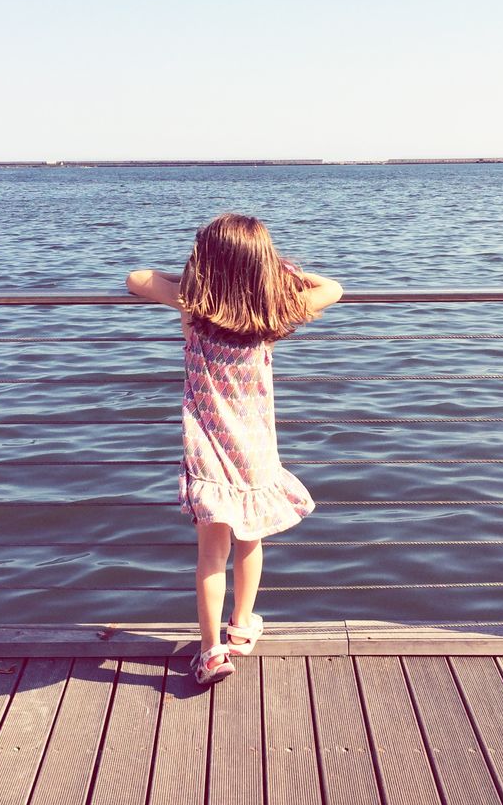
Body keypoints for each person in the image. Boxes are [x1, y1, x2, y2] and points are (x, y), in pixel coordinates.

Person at [126, 213, 343, 685]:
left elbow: (136, 278)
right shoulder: (273, 312)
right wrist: (281, 276)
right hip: (257, 448)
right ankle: (242, 627)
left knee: (210, 555)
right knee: (251, 538)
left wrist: (193, 280)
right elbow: (333, 288)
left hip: (208, 450)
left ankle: (210, 652)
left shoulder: (194, 306)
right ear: (262, 266)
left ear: (206, 264)